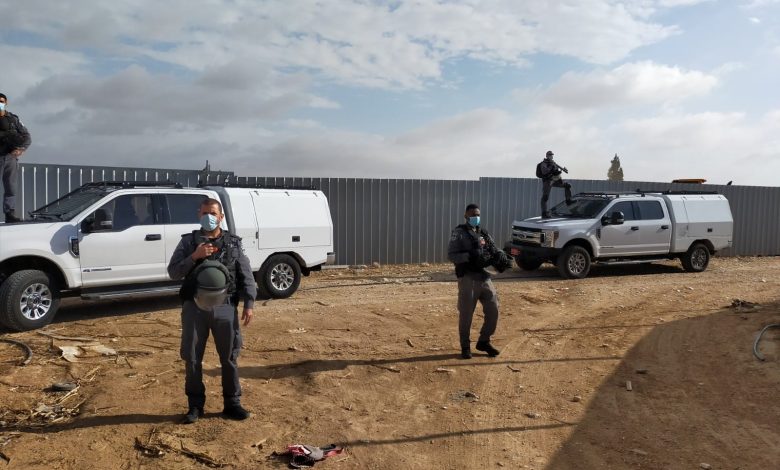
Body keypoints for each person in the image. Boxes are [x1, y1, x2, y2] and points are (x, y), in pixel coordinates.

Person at [167, 197, 257, 424]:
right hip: (195, 307)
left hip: (225, 306)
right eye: (205, 213)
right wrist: (194, 256)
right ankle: (195, 406)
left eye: (213, 213)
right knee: (192, 358)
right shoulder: (188, 242)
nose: (209, 217)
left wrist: (249, 303)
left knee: (229, 357)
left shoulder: (233, 243)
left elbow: (246, 273)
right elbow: (173, 272)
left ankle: (232, 403)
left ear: (221, 217)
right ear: (199, 215)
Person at [447, 203, 502, 360]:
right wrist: (469, 256)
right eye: (472, 215)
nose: (475, 218)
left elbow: (493, 249)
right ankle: (465, 346)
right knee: (466, 314)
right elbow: (451, 255)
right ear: (466, 216)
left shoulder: (483, 232)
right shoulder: (459, 233)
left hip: (484, 276)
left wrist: (499, 256)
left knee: (493, 309)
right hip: (468, 278)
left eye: (477, 215)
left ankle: (484, 341)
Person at [0, 93, 32, 223]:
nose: (0, 103)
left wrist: (21, 149)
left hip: (10, 158)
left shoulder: (13, 119)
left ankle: (9, 214)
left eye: (1, 101)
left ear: (6, 102)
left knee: (11, 188)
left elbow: (27, 136)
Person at [536, 150, 572, 218]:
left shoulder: (553, 163)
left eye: (551, 155)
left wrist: (557, 172)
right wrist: (551, 168)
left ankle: (568, 201)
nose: (551, 156)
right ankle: (544, 213)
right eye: (549, 155)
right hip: (548, 181)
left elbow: (556, 171)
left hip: (555, 180)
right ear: (547, 156)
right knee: (545, 197)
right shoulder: (543, 164)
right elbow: (545, 172)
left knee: (567, 185)